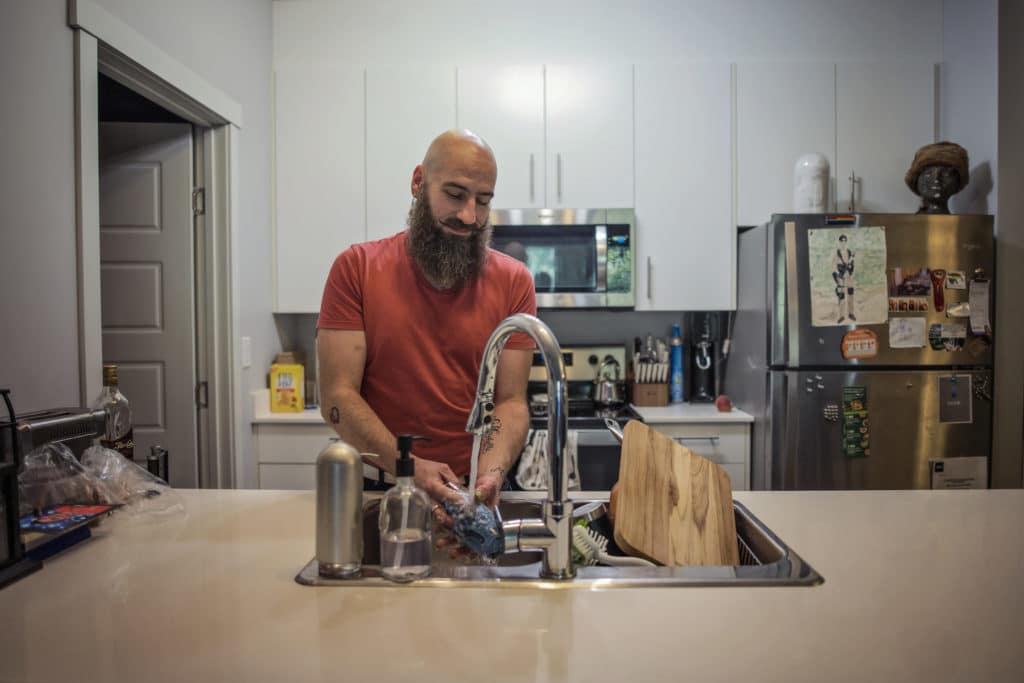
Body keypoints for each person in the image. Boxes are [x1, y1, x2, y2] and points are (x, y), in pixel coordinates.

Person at [316, 129, 536, 521]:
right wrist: (410, 468)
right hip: (381, 488)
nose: (470, 216)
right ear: (418, 182)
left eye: (483, 201)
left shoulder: (514, 281)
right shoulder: (356, 269)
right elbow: (337, 395)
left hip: (472, 490)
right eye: (455, 194)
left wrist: (490, 474)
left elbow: (512, 401)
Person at [904, 141, 970, 214]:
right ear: (916, 179)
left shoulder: (968, 224)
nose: (936, 179)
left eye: (946, 173)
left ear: (958, 181)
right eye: (928, 173)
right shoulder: (898, 224)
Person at [831, 233, 856, 323]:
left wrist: (851, 271)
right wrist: (838, 276)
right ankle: (841, 316)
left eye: (845, 241)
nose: (843, 242)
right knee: (841, 296)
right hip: (841, 277)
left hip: (848, 276)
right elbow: (833, 266)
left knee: (850, 295)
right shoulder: (837, 253)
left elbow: (852, 264)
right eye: (842, 241)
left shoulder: (849, 252)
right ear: (839, 242)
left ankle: (851, 313)